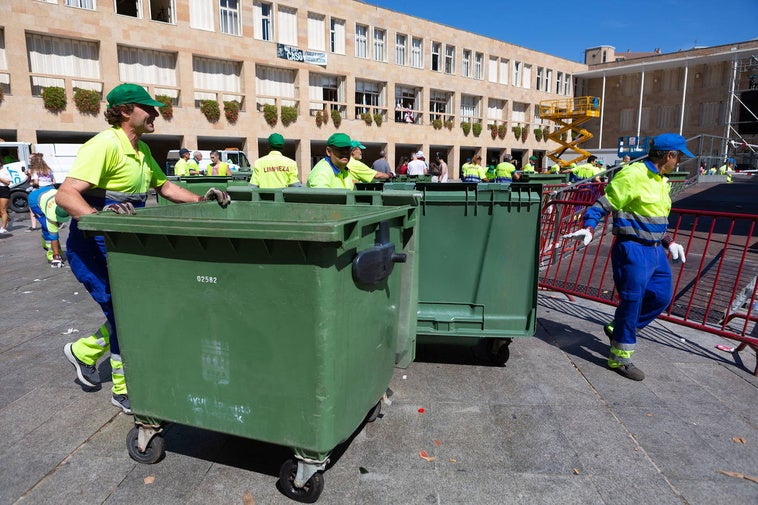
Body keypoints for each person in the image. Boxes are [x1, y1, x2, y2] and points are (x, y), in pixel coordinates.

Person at [56, 83, 232, 414]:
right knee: (125, 311)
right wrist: (101, 218)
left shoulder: (140, 150)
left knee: (132, 308)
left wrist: (201, 201)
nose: (156, 114)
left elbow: (164, 187)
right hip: (93, 243)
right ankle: (123, 390)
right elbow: (66, 195)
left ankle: (84, 352)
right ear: (125, 112)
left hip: (120, 242)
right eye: (148, 109)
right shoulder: (105, 145)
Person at [562, 133, 692, 381]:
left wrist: (669, 241)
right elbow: (602, 204)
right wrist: (589, 227)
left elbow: (653, 217)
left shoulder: (661, 181)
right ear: (669, 156)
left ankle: (618, 328)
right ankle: (619, 359)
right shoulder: (633, 175)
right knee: (632, 302)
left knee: (662, 297)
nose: (679, 163)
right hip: (633, 249)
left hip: (655, 250)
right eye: (678, 157)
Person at [28, 186, 69, 267]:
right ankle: (51, 251)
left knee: (52, 227)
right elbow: (54, 236)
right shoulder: (51, 216)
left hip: (48, 191)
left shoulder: (67, 202)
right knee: (47, 226)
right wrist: (56, 257)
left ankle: (55, 248)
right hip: (34, 200)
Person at [27, 153, 56, 231]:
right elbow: (54, 181)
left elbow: (36, 182)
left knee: (36, 207)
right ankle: (54, 222)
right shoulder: (48, 169)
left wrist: (31, 183)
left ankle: (44, 225)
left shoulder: (34, 170)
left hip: (40, 190)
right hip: (51, 188)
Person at [0, 158, 12, 234]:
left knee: (3, 210)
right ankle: (9, 219)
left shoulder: (4, 171)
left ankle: (3, 228)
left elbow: (8, 182)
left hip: (3, 189)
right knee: (0, 211)